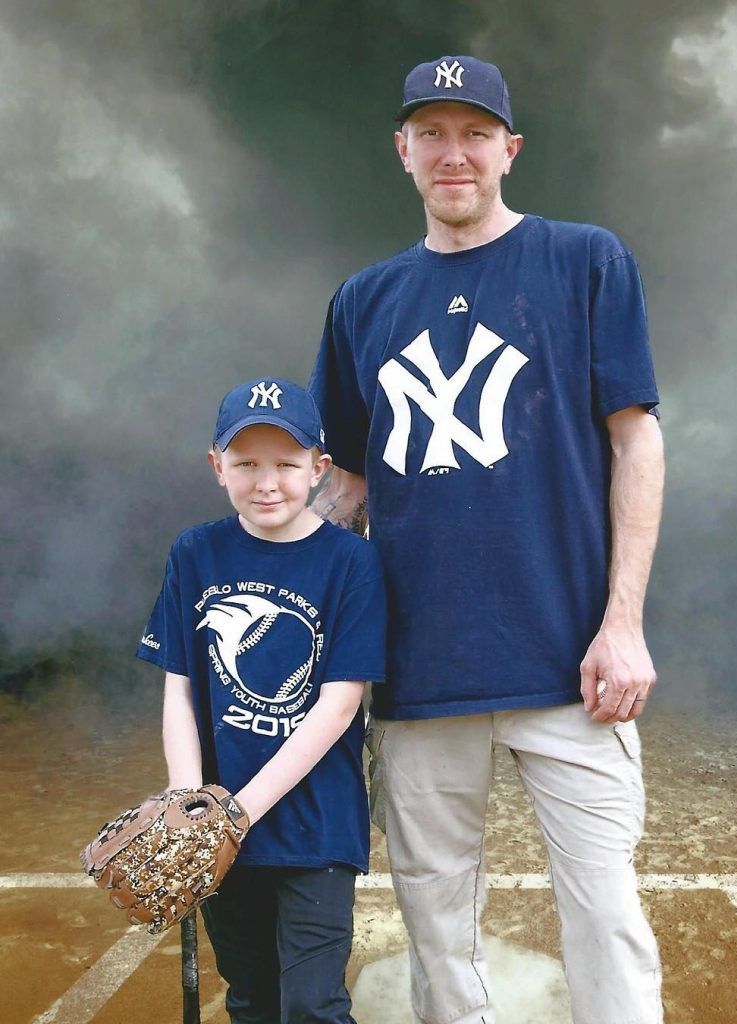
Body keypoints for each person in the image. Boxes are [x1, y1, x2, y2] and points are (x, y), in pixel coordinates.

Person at [308, 55, 665, 1024]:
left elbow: (637, 438)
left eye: (474, 133)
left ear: (509, 147)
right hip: (418, 669)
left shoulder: (586, 261)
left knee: (606, 915)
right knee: (437, 926)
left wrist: (623, 623)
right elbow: (349, 483)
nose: (452, 153)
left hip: (574, 665)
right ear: (404, 152)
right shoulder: (361, 303)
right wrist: (277, 581)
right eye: (432, 133)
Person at [137, 377, 387, 1024]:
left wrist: (234, 815)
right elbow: (181, 689)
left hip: (315, 827)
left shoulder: (350, 562)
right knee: (252, 1000)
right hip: (222, 830)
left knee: (311, 1006)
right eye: (246, 463)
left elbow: (337, 708)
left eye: (286, 463)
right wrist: (191, 806)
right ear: (217, 467)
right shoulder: (196, 553)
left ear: (320, 468)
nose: (266, 481)